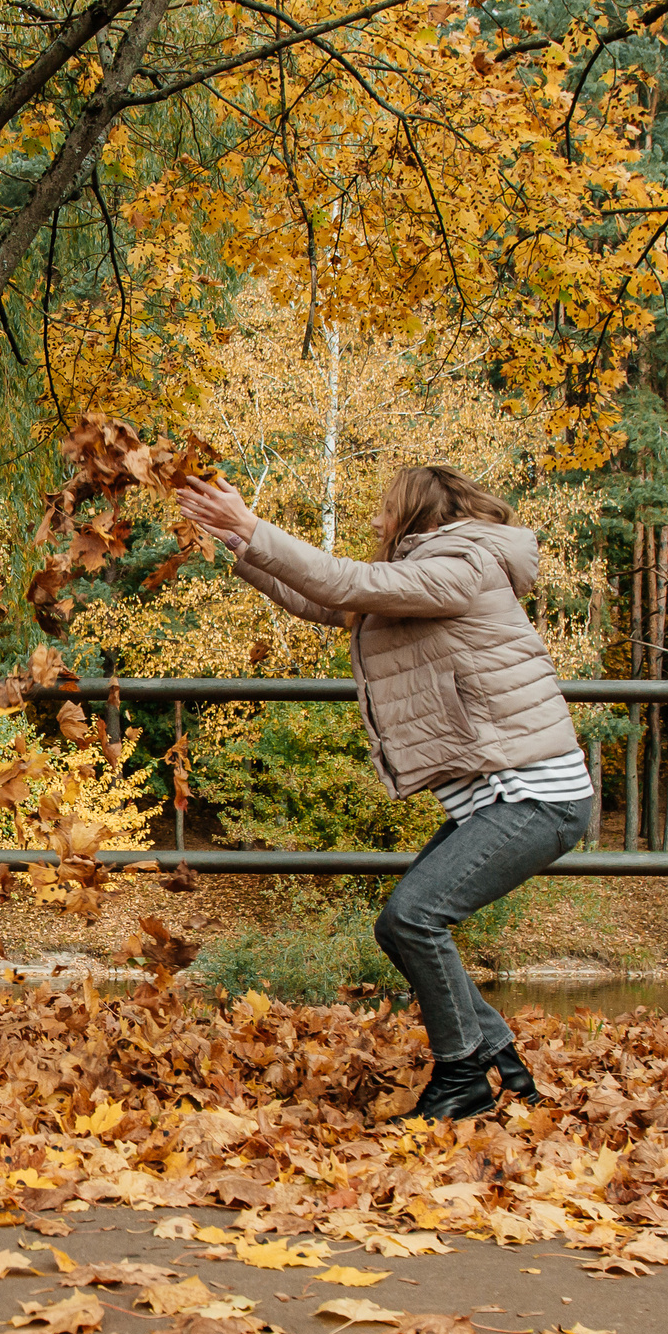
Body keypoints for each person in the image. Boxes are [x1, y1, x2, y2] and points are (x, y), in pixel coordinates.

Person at [176, 464, 588, 1121]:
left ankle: (463, 1075)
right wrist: (238, 544)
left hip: (535, 797)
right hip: (504, 797)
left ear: (420, 513)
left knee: (413, 917)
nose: (375, 521)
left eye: (385, 510)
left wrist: (254, 525)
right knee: (397, 928)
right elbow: (330, 602)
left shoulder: (465, 567)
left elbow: (348, 581)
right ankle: (498, 1058)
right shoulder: (426, 573)